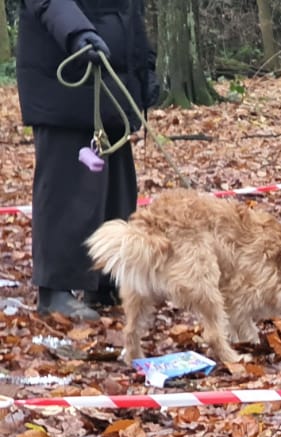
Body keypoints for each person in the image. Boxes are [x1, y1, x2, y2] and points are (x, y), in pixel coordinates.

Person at [17, 0, 158, 320]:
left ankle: (104, 281)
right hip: (63, 78)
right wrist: (78, 33)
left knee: (117, 190)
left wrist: (145, 69)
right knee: (67, 190)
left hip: (113, 87)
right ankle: (55, 290)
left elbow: (130, 13)